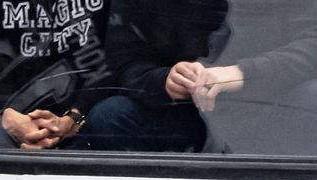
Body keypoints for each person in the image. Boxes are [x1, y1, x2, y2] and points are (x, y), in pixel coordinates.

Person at [0, 0, 113, 150]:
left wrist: (73, 118)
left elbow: (116, 64)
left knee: (112, 113)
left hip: (92, 134)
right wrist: (5, 118)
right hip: (1, 128)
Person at [190, 0, 317, 156]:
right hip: (205, 117)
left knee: (315, 96)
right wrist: (184, 73)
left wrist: (243, 73)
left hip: (282, 112)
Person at [78, 0, 229, 151]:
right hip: (146, 91)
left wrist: (233, 72)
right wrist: (165, 79)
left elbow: (207, 48)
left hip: (201, 115)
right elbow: (124, 63)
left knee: (111, 115)